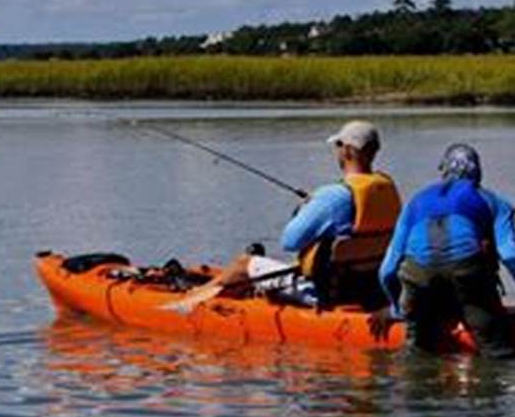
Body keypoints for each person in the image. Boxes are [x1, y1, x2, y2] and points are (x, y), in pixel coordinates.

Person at [169, 120, 401, 313]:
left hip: (324, 294)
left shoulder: (331, 197)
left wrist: (306, 208)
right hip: (371, 291)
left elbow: (289, 242)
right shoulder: (388, 189)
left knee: (245, 263)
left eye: (338, 145)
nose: (337, 151)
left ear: (348, 150)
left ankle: (191, 300)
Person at [373, 143, 515, 356]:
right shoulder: (494, 202)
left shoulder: (414, 203)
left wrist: (397, 309)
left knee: (417, 347)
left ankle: (417, 348)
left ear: (444, 171)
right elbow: (513, 257)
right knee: (497, 351)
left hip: (417, 277)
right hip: (467, 274)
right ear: (479, 175)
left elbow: (387, 270)